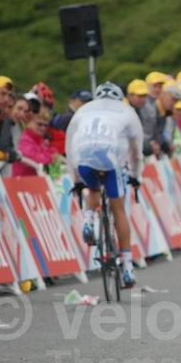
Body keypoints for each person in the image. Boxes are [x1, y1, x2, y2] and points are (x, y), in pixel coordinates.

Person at [65, 82, 144, 288]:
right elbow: (136, 152)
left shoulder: (83, 110)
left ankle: (89, 221)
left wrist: (75, 181)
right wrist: (136, 176)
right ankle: (127, 267)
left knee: (92, 188)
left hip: (82, 158)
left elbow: (69, 146)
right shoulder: (127, 112)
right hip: (110, 159)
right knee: (118, 209)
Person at [13, 109, 59, 177]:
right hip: (22, 182)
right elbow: (37, 159)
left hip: (35, 181)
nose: (43, 128)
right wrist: (51, 158)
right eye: (39, 124)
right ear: (28, 122)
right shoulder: (24, 140)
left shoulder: (40, 141)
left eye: (45, 125)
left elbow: (53, 152)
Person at [127, 78, 160, 157]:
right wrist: (149, 146)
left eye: (145, 96)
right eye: (139, 96)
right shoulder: (126, 112)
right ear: (129, 96)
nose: (143, 99)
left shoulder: (139, 110)